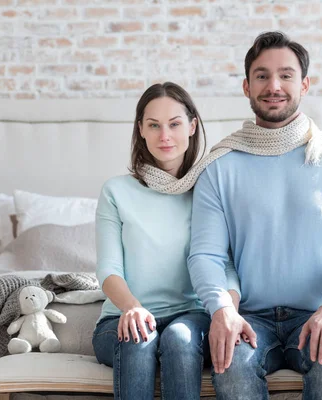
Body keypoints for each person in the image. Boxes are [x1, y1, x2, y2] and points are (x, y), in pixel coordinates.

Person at [187, 31, 322, 399]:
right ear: (246, 86)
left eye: (286, 75)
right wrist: (222, 309)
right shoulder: (219, 167)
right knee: (231, 366)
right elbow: (206, 254)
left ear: (304, 84)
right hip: (250, 317)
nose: (274, 85)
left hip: (319, 311)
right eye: (261, 76)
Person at [92, 82, 241, 400]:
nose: (165, 136)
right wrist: (131, 308)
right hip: (121, 318)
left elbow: (225, 264)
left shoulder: (210, 188)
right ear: (140, 130)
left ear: (192, 126)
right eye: (154, 125)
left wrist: (228, 312)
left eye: (174, 124)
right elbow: (108, 270)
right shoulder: (116, 191)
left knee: (179, 338)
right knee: (139, 336)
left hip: (192, 315)